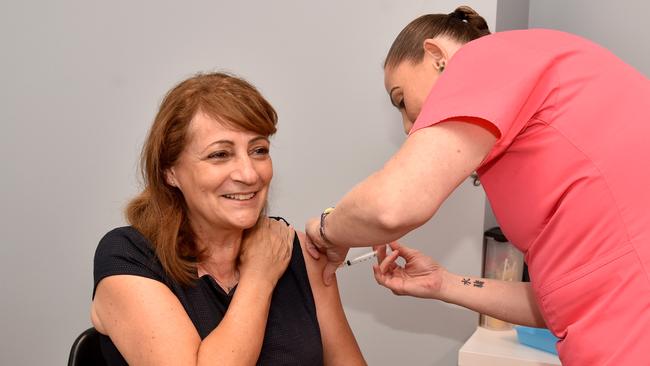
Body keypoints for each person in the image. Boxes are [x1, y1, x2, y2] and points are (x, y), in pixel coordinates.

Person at [305, 5, 650, 365]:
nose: (408, 126)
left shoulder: (485, 58)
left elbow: (392, 206)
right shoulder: (522, 121)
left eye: (401, 99)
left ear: (436, 55)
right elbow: (561, 300)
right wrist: (443, 283)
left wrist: (326, 229)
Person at [91, 72, 365, 365]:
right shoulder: (128, 257)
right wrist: (259, 277)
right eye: (220, 155)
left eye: (259, 150)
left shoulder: (295, 251)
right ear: (169, 172)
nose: (249, 174)